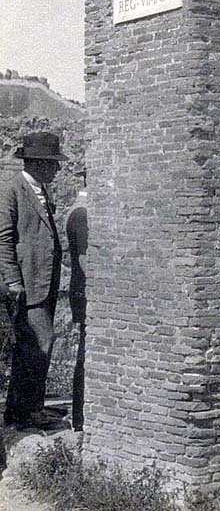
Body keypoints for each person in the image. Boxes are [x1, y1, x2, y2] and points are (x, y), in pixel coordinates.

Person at [0, 132, 67, 430]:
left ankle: (22, 411)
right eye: (54, 164)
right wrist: (14, 281)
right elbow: (3, 240)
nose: (58, 170)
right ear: (39, 163)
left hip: (44, 281)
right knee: (41, 341)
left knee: (33, 345)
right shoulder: (13, 190)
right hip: (27, 283)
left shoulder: (40, 189)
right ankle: (27, 412)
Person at [65, 171, 88, 432]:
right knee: (85, 354)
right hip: (84, 292)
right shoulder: (82, 214)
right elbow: (85, 261)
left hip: (82, 290)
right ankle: (80, 418)